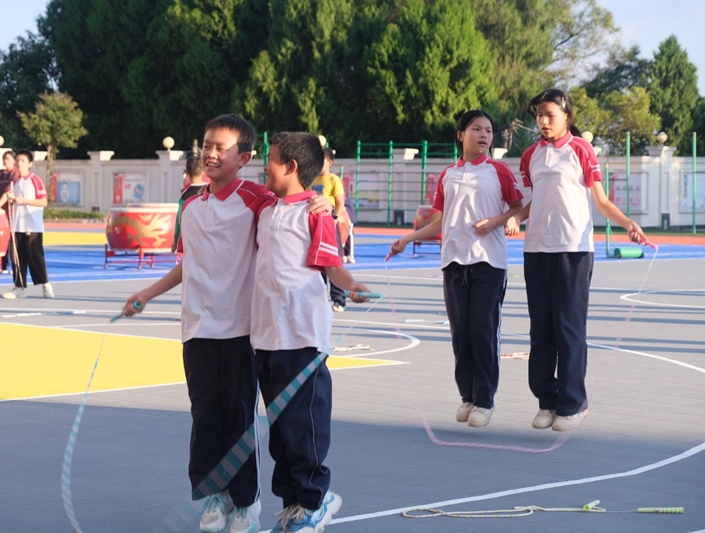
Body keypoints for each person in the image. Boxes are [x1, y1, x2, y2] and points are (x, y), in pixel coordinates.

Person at [122, 115, 331, 533]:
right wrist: (148, 293)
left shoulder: (257, 199)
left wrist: (322, 201)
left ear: (244, 157)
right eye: (206, 145)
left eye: (221, 147)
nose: (210, 153)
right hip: (196, 329)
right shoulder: (190, 203)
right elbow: (189, 262)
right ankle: (215, 496)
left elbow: (295, 199)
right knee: (205, 419)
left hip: (241, 331)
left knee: (238, 421)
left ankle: (246, 504)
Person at [252, 131, 370, 533]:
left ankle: (316, 500)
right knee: (280, 432)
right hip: (266, 336)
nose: (264, 166)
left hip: (302, 335)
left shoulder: (315, 213)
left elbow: (332, 266)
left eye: (270, 159)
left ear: (291, 167)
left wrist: (352, 286)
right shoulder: (265, 208)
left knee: (304, 426)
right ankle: (294, 505)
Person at [512, 88, 647, 432]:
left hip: (573, 250)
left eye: (550, 115)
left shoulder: (581, 149)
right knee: (541, 330)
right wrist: (514, 218)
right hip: (536, 250)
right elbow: (533, 201)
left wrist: (628, 223)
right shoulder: (529, 156)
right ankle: (546, 401)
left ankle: (573, 404)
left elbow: (600, 201)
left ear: (567, 117)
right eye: (539, 115)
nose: (543, 121)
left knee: (568, 328)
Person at [389, 111, 524, 428]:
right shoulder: (448, 175)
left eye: (488, 130)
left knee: (482, 331)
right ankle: (468, 397)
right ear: (461, 135)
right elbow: (440, 221)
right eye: (476, 129)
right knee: (460, 334)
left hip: (489, 263)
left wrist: (498, 221)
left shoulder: (499, 171)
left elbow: (518, 207)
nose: (484, 135)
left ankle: (485, 401)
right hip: (453, 262)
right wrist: (407, 239)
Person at [2, 150, 53, 299]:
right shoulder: (16, 182)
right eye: (17, 160)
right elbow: (16, 201)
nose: (19, 163)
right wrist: (12, 200)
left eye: (23, 160)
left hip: (32, 226)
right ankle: (20, 287)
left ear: (30, 164)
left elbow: (43, 202)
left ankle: (46, 285)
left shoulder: (35, 180)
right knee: (17, 257)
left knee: (35, 257)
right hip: (17, 226)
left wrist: (23, 200)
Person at [308, 147, 347, 311]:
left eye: (321, 160)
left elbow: (340, 203)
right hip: (316, 225)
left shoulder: (333, 179)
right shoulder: (312, 178)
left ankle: (339, 300)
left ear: (329, 162)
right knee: (318, 261)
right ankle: (320, 299)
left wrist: (334, 219)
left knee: (333, 260)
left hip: (329, 224)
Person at [173, 154, 207, 250]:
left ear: (186, 172)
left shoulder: (185, 196)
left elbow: (179, 221)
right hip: (209, 238)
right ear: (204, 172)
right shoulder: (211, 190)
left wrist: (176, 241)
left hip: (192, 240)